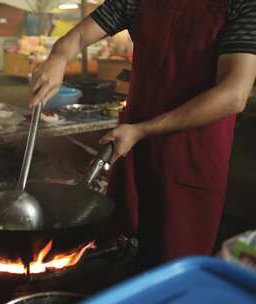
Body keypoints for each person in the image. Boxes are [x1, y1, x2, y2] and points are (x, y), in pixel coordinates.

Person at [30, 0, 256, 267]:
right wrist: (58, 57)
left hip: (192, 153)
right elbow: (78, 35)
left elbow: (233, 94)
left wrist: (142, 130)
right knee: (120, 248)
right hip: (132, 146)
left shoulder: (241, 5)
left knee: (175, 262)